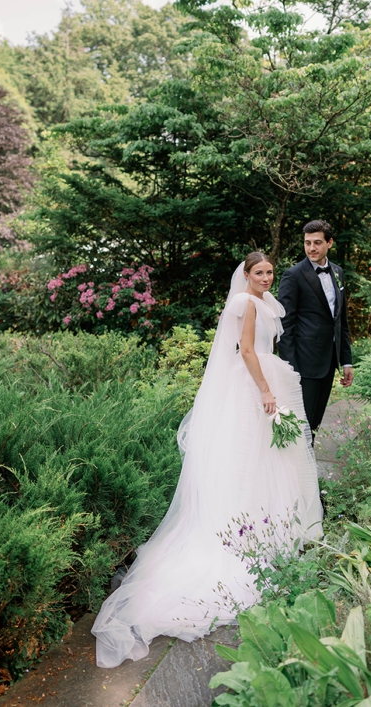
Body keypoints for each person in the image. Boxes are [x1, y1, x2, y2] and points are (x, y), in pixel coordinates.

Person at [91, 253, 322, 668]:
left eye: (270, 272)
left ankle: (271, 529)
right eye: (259, 273)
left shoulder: (267, 302)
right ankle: (247, 537)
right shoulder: (246, 303)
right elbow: (248, 351)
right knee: (253, 461)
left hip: (267, 379)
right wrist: (267, 391)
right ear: (246, 276)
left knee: (271, 461)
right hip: (255, 385)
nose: (266, 278)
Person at [277, 220, 354, 442]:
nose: (311, 248)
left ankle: (305, 471)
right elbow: (285, 325)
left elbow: (341, 321)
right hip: (304, 364)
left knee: (314, 424)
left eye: (317, 242)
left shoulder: (338, 272)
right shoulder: (293, 275)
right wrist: (290, 368)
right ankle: (299, 474)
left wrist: (346, 361)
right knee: (302, 425)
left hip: (329, 362)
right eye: (307, 243)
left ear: (329, 243)